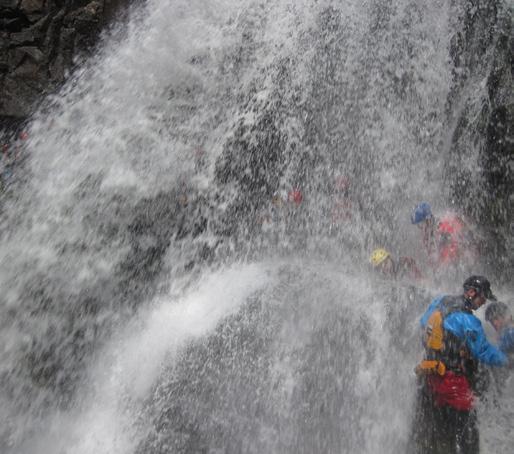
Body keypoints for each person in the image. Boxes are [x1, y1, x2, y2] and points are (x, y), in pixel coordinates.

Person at [413, 275, 507, 454]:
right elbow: (483, 352)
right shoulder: (468, 321)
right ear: (471, 293)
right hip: (451, 382)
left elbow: (423, 323)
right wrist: (506, 360)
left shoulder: (441, 301)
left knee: (441, 429)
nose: (483, 302)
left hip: (430, 375)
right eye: (482, 297)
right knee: (469, 431)